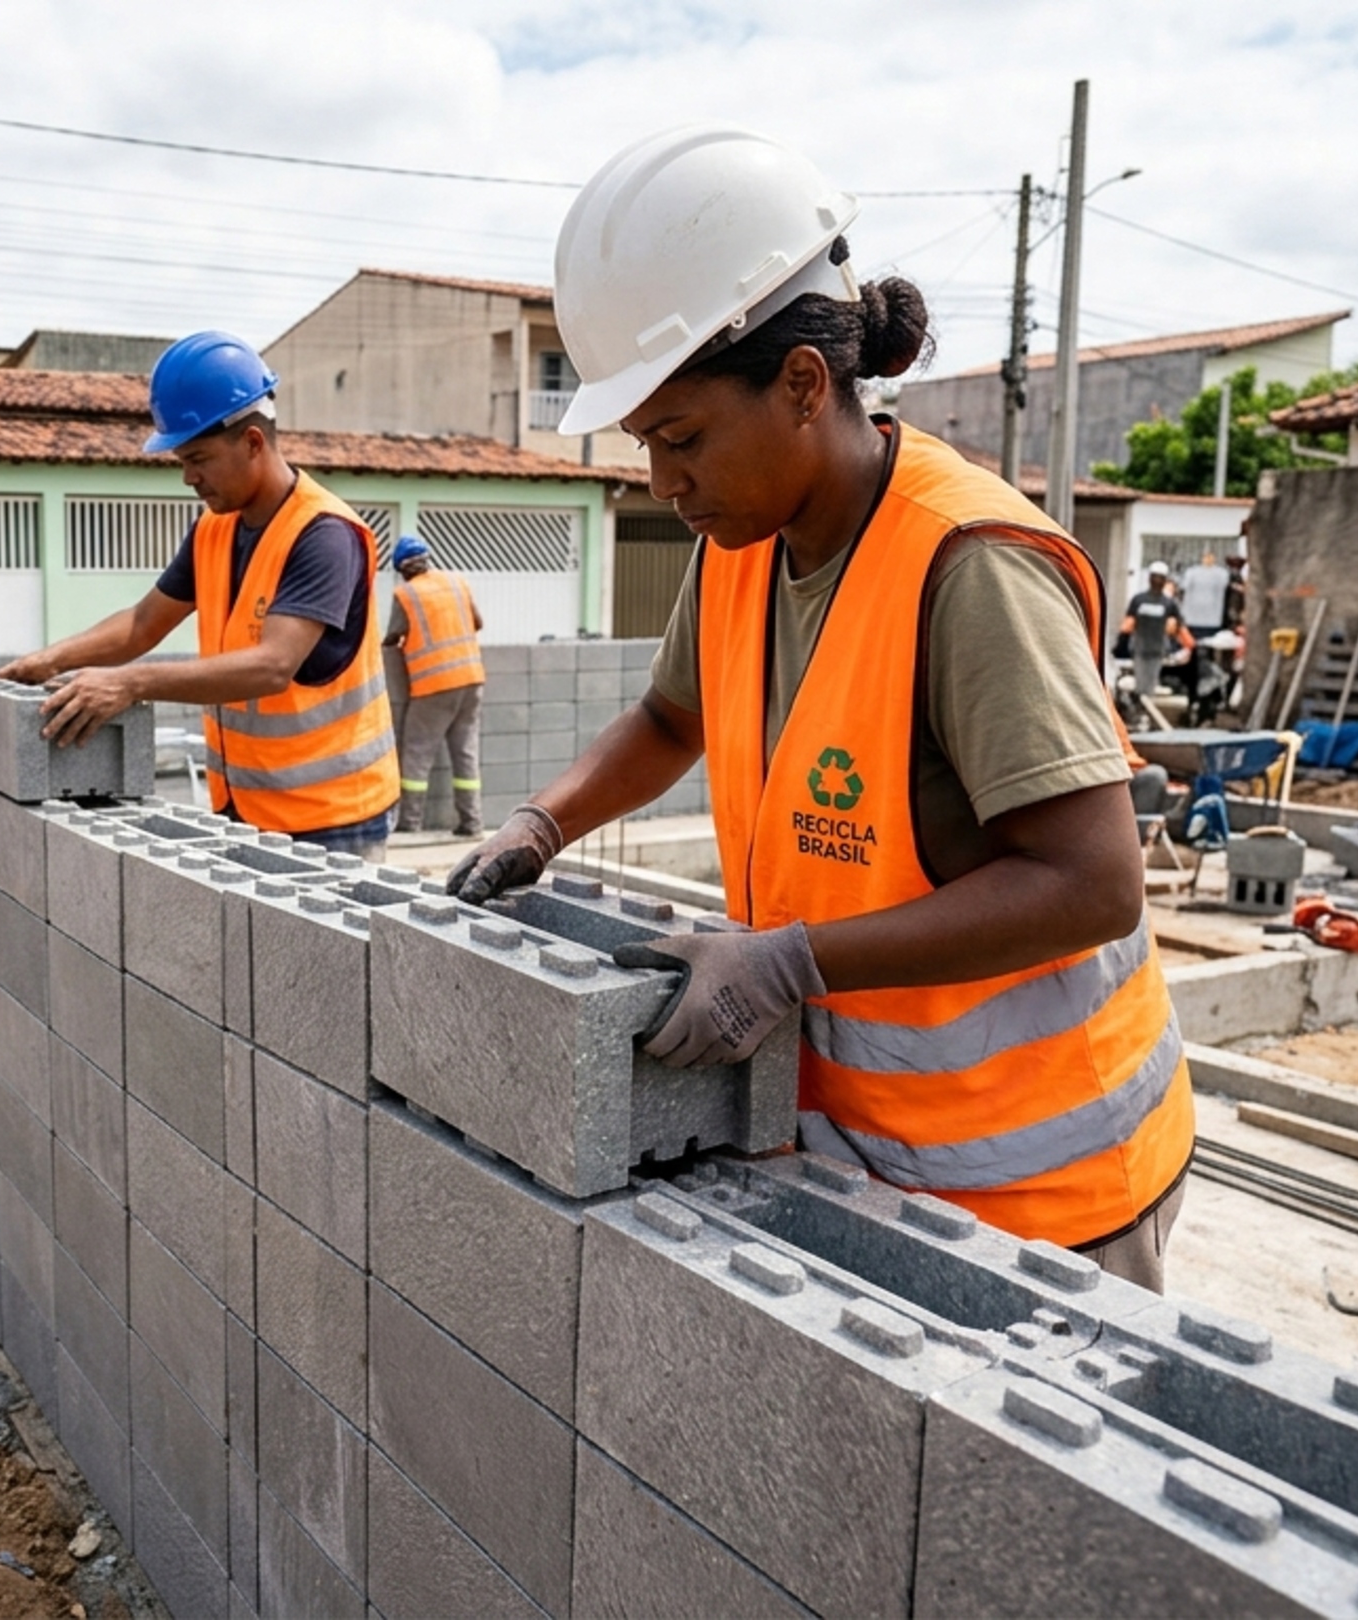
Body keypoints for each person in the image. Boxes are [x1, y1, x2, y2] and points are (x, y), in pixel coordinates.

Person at [447, 124, 1190, 1290]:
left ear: (802, 384)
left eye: (682, 438)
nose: (663, 482)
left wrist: (786, 963)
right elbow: (671, 719)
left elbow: (1093, 884)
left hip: (1047, 1188)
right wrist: (543, 824)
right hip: (867, 1161)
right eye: (647, 444)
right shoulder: (740, 542)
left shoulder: (970, 565)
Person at [0, 332, 399, 858]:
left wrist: (129, 684)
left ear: (252, 442)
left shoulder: (323, 534)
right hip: (246, 808)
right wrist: (49, 661)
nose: (188, 477)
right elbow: (143, 623)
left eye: (199, 458)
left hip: (333, 814)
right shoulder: (215, 528)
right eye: (182, 460)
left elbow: (273, 666)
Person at [382, 535, 486, 837]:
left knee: (417, 752)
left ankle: (410, 822)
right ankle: (472, 823)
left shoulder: (406, 594)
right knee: (465, 753)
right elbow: (478, 622)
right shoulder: (457, 582)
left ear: (403, 569)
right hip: (472, 679)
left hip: (434, 685)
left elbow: (393, 636)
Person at [1119, 561, 1193, 720]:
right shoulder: (1139, 600)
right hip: (1140, 648)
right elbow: (1127, 624)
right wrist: (1121, 645)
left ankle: (1144, 714)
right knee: (1141, 684)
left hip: (1157, 650)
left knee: (1150, 685)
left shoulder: (1169, 603)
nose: (1157, 581)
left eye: (1160, 578)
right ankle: (1139, 713)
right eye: (1155, 577)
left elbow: (1178, 627)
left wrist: (1190, 646)